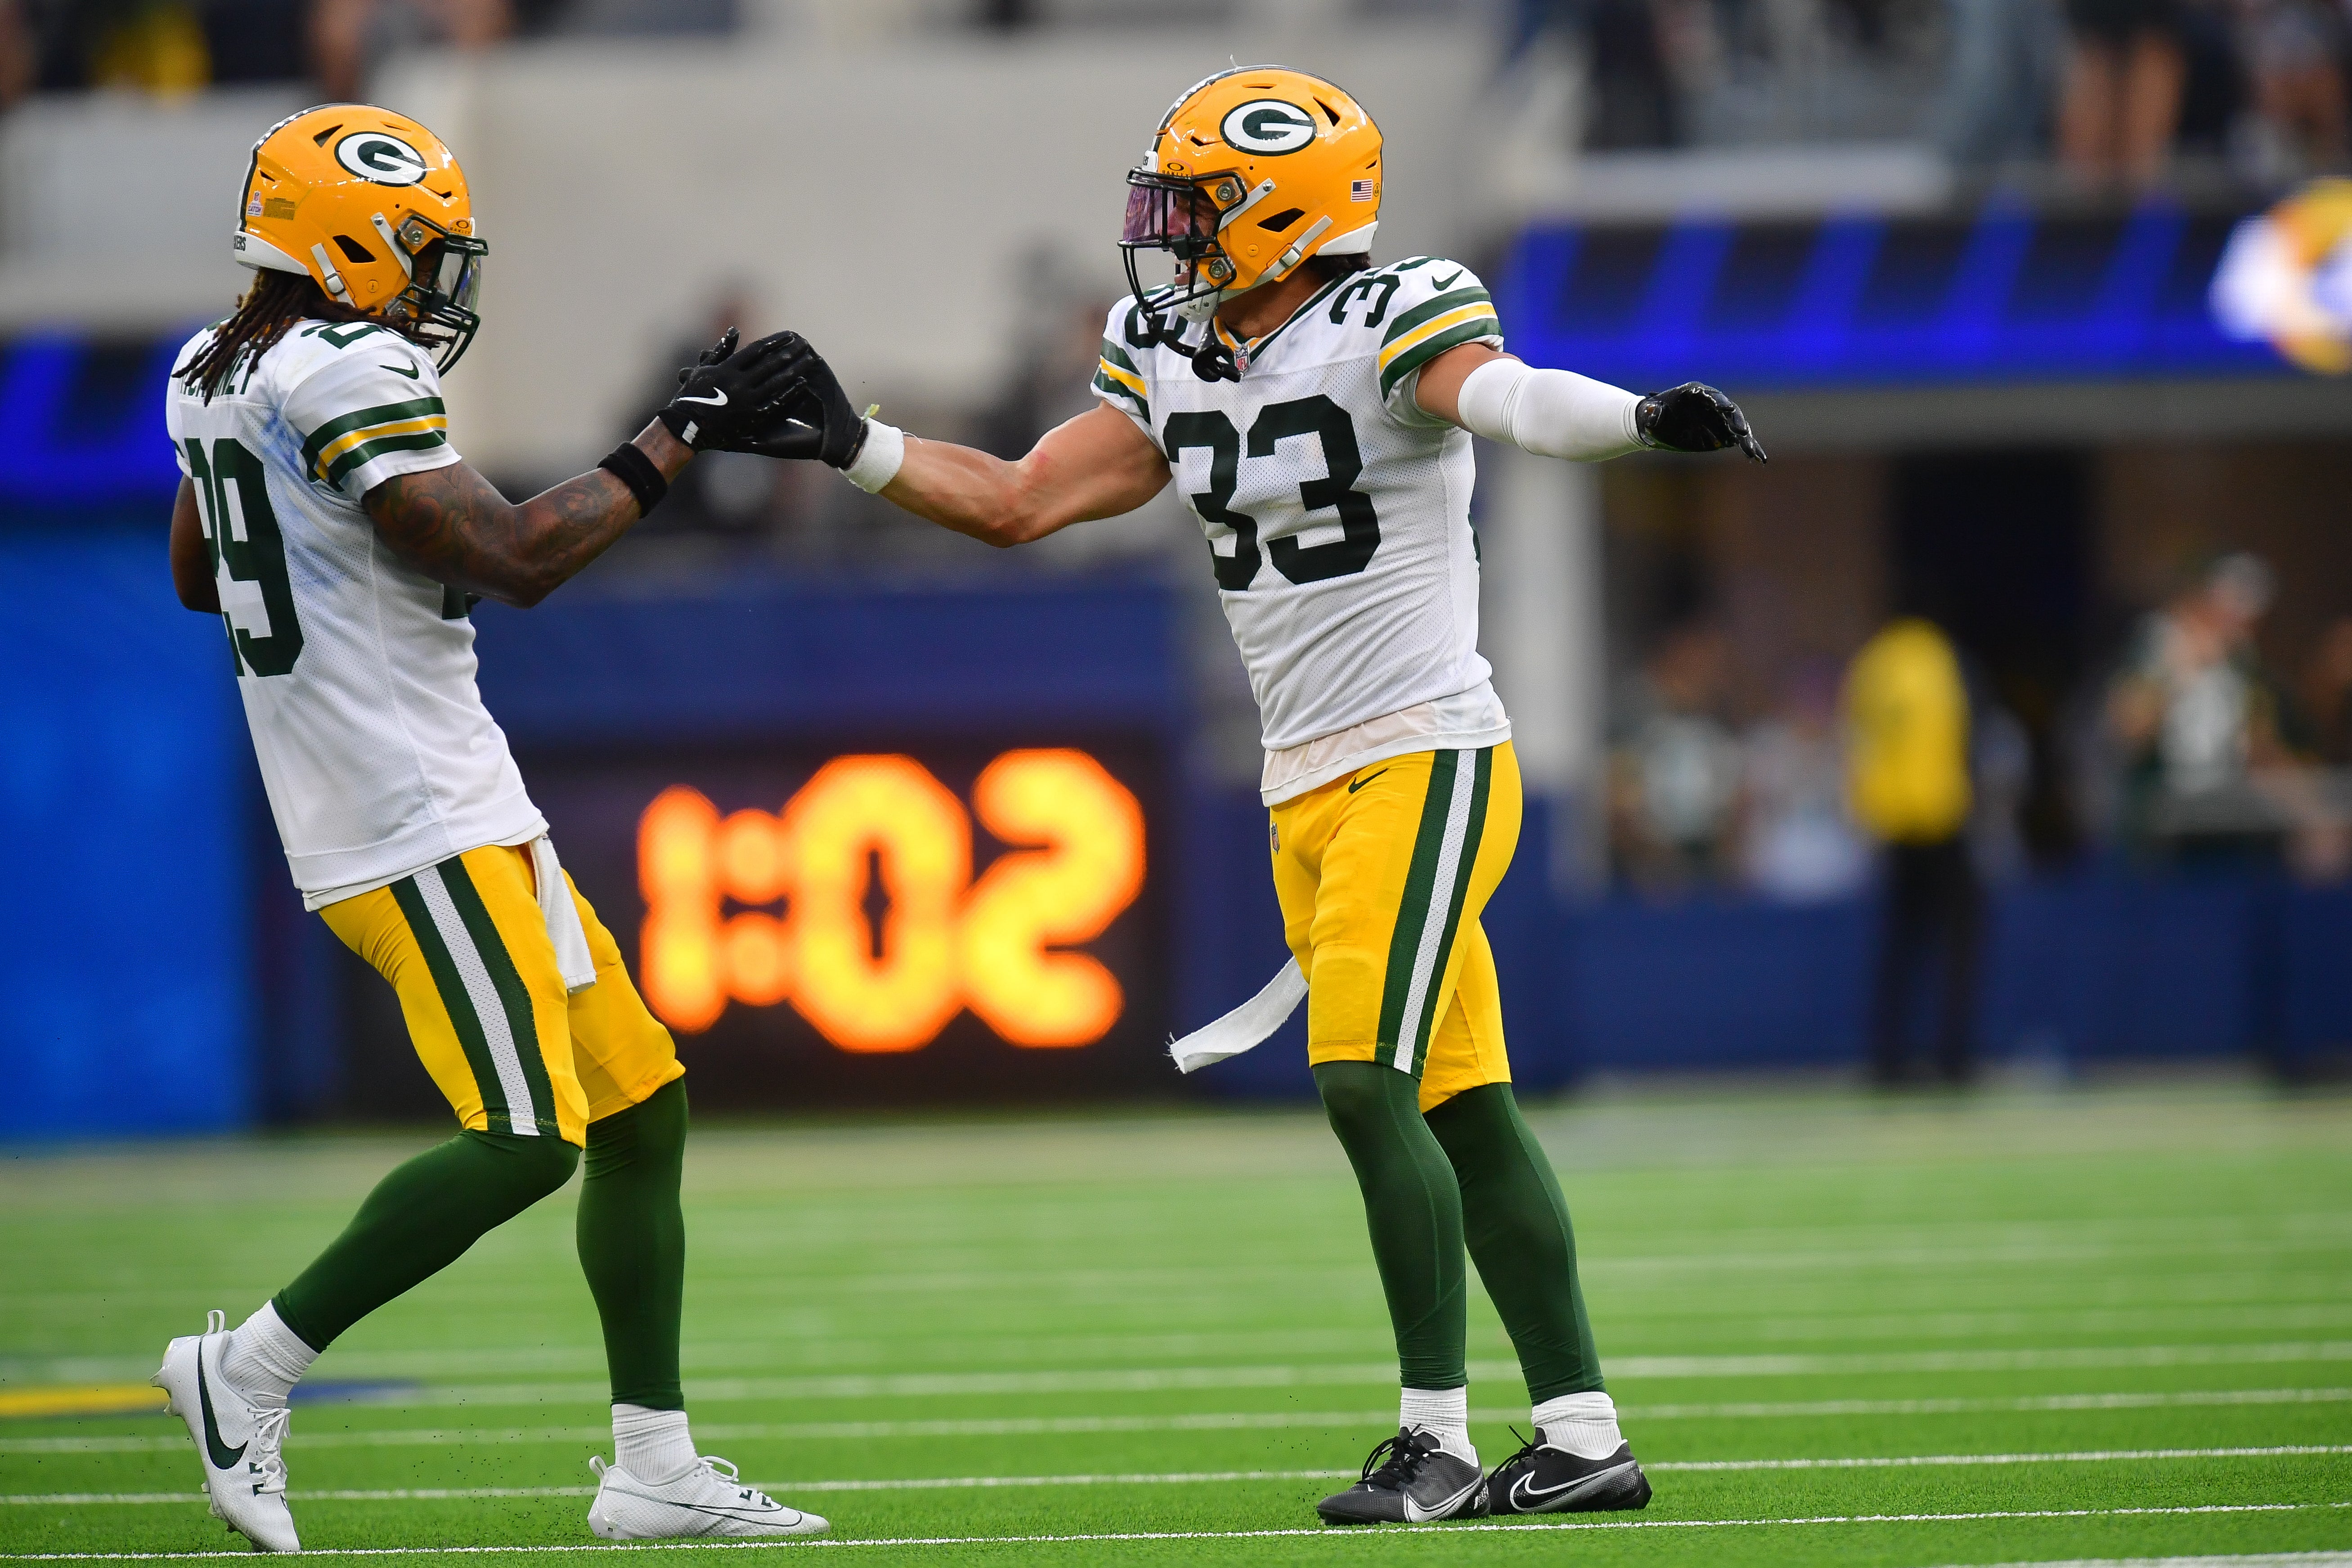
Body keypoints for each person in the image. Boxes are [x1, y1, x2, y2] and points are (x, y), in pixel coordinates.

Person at [737, 66, 1764, 1526]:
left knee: (1359, 1080)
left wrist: (1637, 420)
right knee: (1463, 1108)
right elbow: (1025, 497)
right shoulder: (1165, 343)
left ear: (1288, 209)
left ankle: (1434, 1438)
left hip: (1422, 752)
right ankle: (1581, 1434)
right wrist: (858, 445)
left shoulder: (1387, 313)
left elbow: (1508, 397)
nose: (1162, 230)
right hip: (1307, 784)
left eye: (1195, 203)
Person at [154, 104, 826, 1550]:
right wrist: (674, 438)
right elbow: (516, 558)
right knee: (527, 1137)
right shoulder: (344, 364)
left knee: (643, 1110)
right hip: (408, 818)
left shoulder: (215, 367)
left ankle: (651, 1465)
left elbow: (201, 574)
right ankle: (246, 1369)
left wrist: (346, 573)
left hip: (451, 799)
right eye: (411, 251)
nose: (431, 282)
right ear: (340, 240)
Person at [1843, 616, 1982, 1086]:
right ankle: (1951, 1058)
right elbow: (1965, 731)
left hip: (1892, 820)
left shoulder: (1874, 662)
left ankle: (1887, 1059)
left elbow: (1859, 738)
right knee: (1957, 942)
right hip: (1939, 815)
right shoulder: (1938, 656)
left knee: (1899, 947)